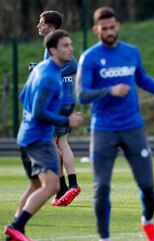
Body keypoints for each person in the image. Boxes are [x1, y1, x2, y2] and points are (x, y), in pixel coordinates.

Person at [76, 7, 154, 241]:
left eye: (112, 27)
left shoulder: (131, 53)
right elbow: (81, 94)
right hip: (104, 130)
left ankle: (147, 221)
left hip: (133, 127)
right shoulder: (89, 57)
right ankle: (104, 237)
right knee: (101, 188)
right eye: (104, 28)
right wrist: (110, 90)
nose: (109, 32)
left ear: (118, 26)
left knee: (148, 187)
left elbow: (145, 81)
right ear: (96, 30)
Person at [4, 30, 83, 241]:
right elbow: (39, 112)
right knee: (52, 185)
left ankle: (14, 231)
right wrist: (67, 120)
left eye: (70, 44)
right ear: (52, 50)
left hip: (27, 134)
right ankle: (16, 226)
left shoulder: (39, 69)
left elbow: (23, 98)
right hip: (38, 138)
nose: (71, 49)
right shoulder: (49, 77)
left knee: (36, 185)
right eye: (65, 46)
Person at [37, 10, 81, 206]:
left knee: (52, 143)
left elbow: (73, 65)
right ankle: (67, 187)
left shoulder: (53, 42)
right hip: (67, 99)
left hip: (57, 101)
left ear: (51, 27)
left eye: (41, 22)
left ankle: (66, 186)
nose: (38, 25)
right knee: (61, 142)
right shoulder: (60, 42)